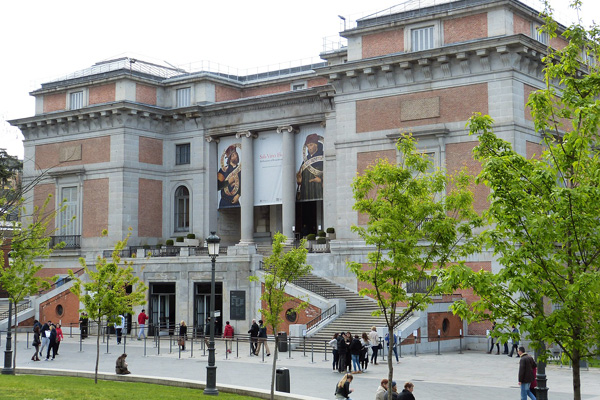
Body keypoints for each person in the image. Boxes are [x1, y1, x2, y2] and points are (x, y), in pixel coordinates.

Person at [296, 133, 323, 201]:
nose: (309, 148)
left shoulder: (323, 158)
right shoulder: (305, 161)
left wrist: (321, 180)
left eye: (311, 145)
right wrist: (299, 181)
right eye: (308, 146)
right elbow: (300, 181)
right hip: (307, 193)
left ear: (316, 145)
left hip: (318, 192)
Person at [217, 144, 241, 208]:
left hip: (235, 202)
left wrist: (238, 194)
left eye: (235, 154)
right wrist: (229, 182)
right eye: (232, 155)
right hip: (224, 202)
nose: (234, 155)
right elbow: (218, 186)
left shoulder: (240, 170)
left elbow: (244, 184)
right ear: (229, 158)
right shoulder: (223, 170)